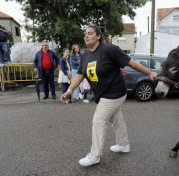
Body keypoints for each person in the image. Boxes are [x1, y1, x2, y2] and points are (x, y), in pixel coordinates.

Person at [61, 25, 158, 167]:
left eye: (90, 33)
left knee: (98, 120)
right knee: (116, 118)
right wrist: (69, 91)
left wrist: (149, 73)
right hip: (102, 93)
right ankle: (124, 144)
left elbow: (131, 63)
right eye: (85, 34)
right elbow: (81, 74)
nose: (86, 36)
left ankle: (95, 155)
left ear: (98, 36)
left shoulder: (109, 50)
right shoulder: (86, 55)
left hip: (115, 92)